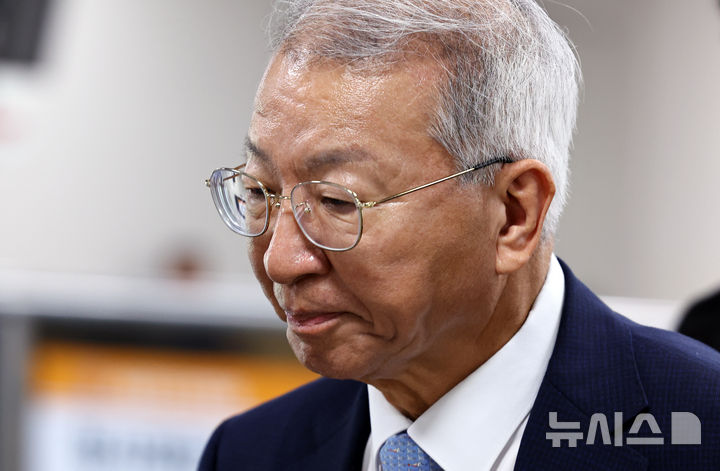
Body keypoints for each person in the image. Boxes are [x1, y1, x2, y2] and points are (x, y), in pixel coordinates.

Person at [199, 1, 720, 469]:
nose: (281, 261)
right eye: (259, 191)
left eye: (338, 202)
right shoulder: (250, 452)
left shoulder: (700, 428)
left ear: (514, 216)